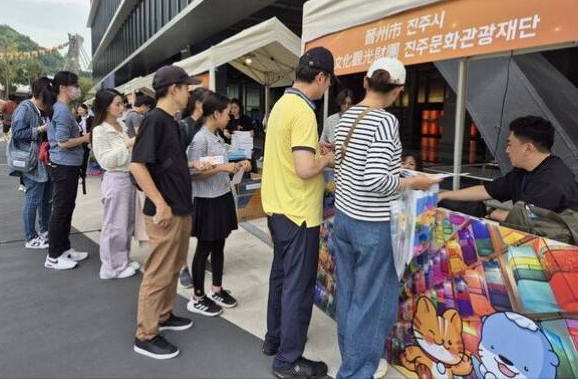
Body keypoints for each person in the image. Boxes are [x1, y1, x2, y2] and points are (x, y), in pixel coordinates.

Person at [332, 58, 438, 379]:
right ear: (398, 90)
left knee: (349, 295)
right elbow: (376, 180)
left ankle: (352, 361)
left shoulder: (347, 117)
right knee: (372, 303)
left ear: (365, 82)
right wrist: (413, 182)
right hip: (373, 224)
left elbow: (353, 168)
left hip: (345, 216)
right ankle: (355, 371)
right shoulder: (384, 121)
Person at [261, 47, 336, 379]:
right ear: (320, 77)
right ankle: (288, 360)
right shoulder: (305, 112)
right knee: (298, 286)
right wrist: (327, 159)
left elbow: (289, 153)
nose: (327, 88)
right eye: (328, 81)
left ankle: (274, 340)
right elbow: (305, 168)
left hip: (277, 207)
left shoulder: (282, 104)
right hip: (299, 213)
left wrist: (315, 151)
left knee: (280, 278)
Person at [130, 65, 201, 360]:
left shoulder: (170, 121)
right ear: (174, 89)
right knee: (158, 272)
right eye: (187, 88)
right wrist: (160, 203)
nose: (189, 94)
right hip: (165, 210)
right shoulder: (155, 120)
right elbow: (137, 165)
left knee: (172, 267)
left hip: (178, 207)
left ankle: (164, 315)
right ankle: (145, 335)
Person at [439, 115, 578, 221]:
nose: (507, 150)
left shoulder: (552, 180)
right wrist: (444, 195)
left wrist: (491, 212)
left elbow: (526, 220)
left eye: (510, 144)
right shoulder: (523, 171)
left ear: (528, 149)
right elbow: (486, 190)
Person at [186, 93, 250, 316]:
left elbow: (216, 161)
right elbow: (194, 173)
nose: (229, 117)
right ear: (216, 113)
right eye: (226, 113)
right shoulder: (200, 139)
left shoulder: (216, 137)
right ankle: (197, 296)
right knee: (204, 248)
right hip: (207, 200)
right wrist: (223, 168)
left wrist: (238, 163)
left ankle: (216, 289)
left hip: (221, 196)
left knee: (219, 245)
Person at [91, 89, 141, 280]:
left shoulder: (121, 124)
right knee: (114, 225)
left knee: (126, 224)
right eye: (117, 104)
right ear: (106, 107)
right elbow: (106, 160)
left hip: (128, 177)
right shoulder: (100, 130)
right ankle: (111, 267)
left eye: (123, 104)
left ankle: (122, 260)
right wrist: (128, 144)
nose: (122, 108)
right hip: (116, 178)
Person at [45, 71, 91, 270]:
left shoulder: (60, 108)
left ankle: (64, 249)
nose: (78, 89)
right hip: (64, 165)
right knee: (61, 209)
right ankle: (54, 256)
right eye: (76, 85)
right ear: (63, 87)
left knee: (66, 207)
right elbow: (63, 142)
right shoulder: (62, 111)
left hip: (66, 165)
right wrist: (85, 138)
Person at [11, 77, 55, 249]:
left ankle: (44, 231)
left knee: (47, 199)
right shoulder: (25, 108)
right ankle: (30, 237)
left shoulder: (44, 108)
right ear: (41, 93)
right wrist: (40, 129)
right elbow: (17, 133)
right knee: (33, 199)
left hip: (46, 160)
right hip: (33, 162)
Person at [178, 87, 213, 289]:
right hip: (185, 184)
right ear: (198, 104)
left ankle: (203, 257)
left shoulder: (207, 125)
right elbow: (176, 159)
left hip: (204, 182)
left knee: (203, 224)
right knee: (183, 229)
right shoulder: (183, 126)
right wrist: (194, 164)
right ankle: (182, 267)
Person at [76, 103, 94, 183]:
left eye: (81, 109)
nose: (80, 111)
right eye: (78, 110)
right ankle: (81, 173)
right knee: (80, 156)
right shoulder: (77, 119)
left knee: (85, 157)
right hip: (80, 140)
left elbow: (94, 128)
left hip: (88, 140)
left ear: (86, 109)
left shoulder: (91, 118)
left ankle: (83, 174)